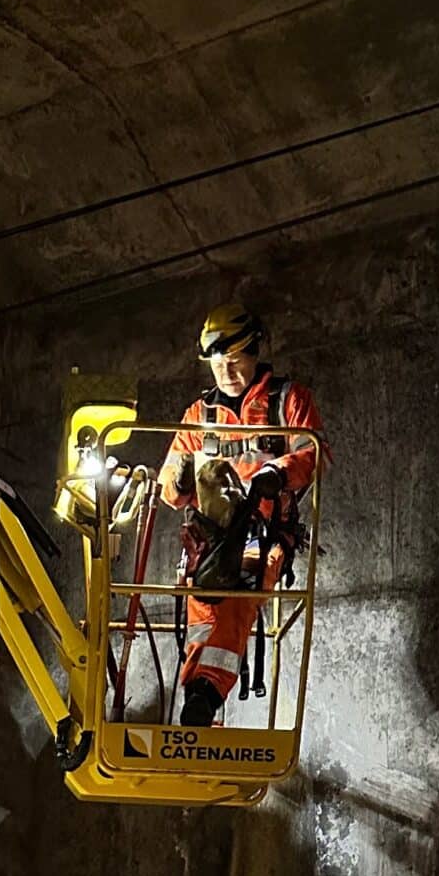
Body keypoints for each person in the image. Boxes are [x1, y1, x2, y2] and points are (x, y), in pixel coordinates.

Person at [157, 301, 322, 728]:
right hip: (210, 531)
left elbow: (313, 454)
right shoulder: (199, 415)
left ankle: (206, 693)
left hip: (263, 528)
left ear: (255, 352)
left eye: (234, 362)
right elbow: (170, 482)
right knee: (203, 602)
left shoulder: (287, 400)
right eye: (217, 365)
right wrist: (176, 482)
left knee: (240, 593)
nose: (227, 373)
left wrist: (276, 473)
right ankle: (199, 696)